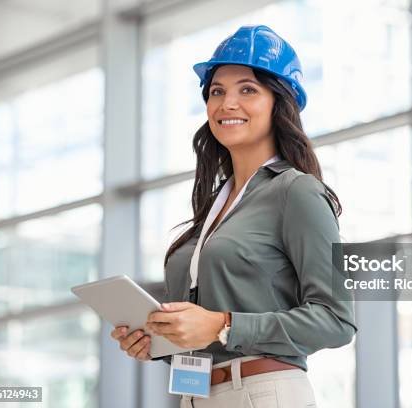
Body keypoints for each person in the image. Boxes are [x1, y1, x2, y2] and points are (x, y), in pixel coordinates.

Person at [110, 24, 357, 407]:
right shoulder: (215, 207)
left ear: (280, 103)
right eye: (217, 91)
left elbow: (337, 322)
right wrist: (158, 342)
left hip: (262, 393)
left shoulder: (296, 192)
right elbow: (204, 334)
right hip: (196, 394)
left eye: (247, 90)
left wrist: (223, 324)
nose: (227, 103)